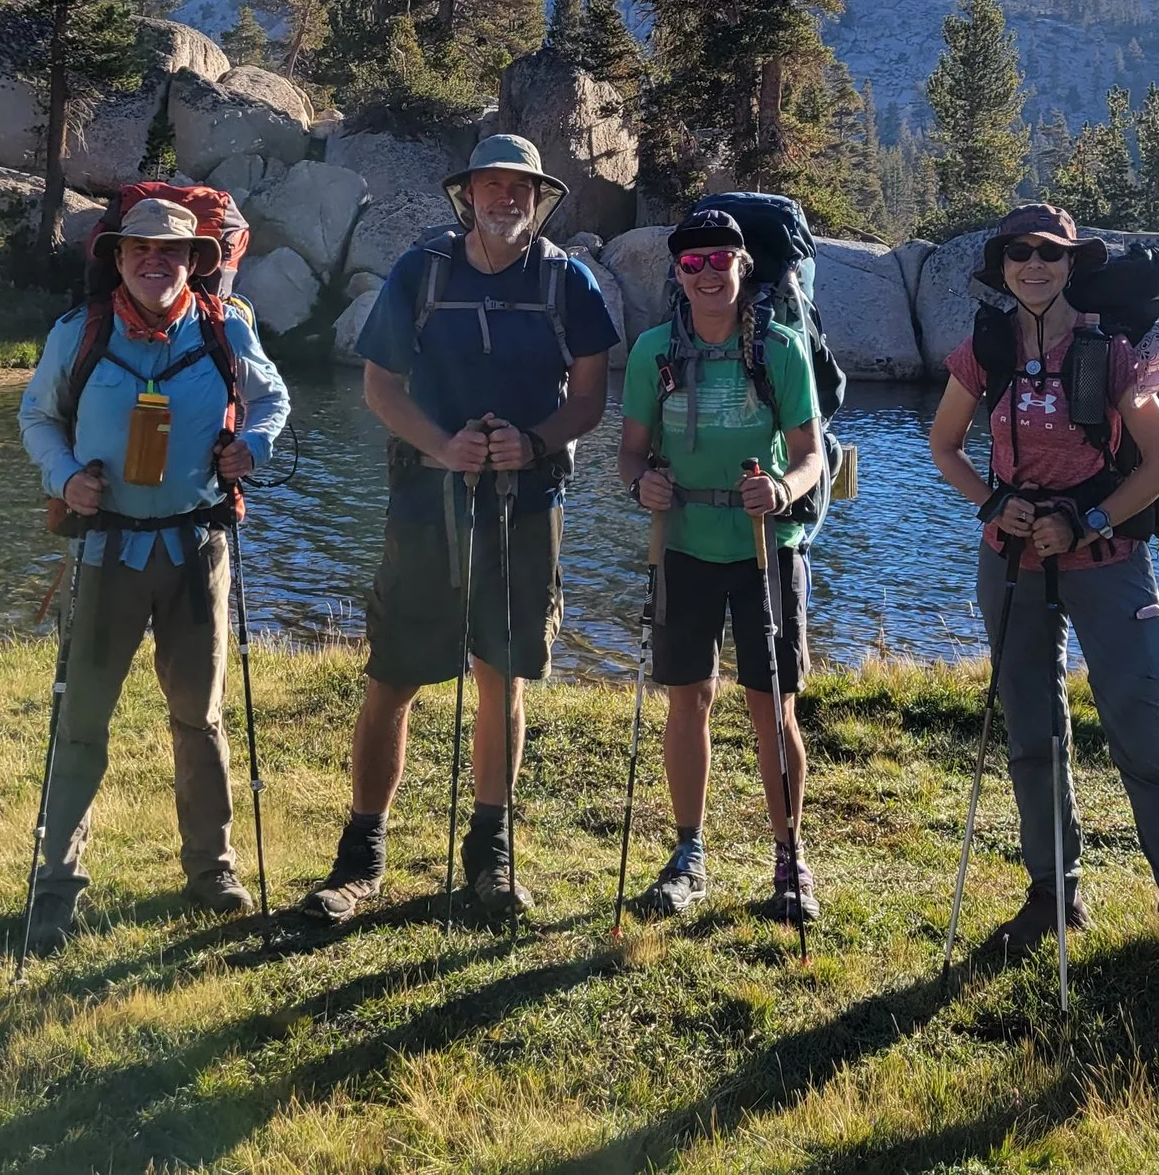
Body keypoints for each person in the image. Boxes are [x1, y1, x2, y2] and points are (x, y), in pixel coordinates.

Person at [925, 202, 1159, 1026]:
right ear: (1002, 264)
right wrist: (993, 504)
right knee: (1032, 735)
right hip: (1010, 562)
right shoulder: (986, 349)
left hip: (1108, 565)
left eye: (1050, 252)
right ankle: (1053, 895)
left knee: (1147, 745)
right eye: (1018, 252)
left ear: (1073, 263)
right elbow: (944, 444)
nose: (1033, 264)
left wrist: (1091, 519)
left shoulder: (1112, 352)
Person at [299, 134, 621, 924]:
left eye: (521, 187)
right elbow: (381, 386)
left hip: (528, 507)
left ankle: (491, 854)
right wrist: (443, 446)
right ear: (467, 194)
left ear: (538, 198)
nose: (506, 198)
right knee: (393, 678)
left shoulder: (569, 281)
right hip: (425, 506)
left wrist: (535, 442)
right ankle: (361, 857)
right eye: (492, 185)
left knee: (502, 677)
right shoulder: (422, 272)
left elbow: (589, 398)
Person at [15, 193, 291, 955]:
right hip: (104, 550)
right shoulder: (79, 332)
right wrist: (65, 476)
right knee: (82, 720)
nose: (154, 261)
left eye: (171, 250)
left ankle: (212, 869)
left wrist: (253, 448)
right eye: (140, 248)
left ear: (195, 261)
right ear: (119, 257)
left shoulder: (227, 328)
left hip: (196, 549)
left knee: (200, 718)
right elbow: (37, 417)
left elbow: (272, 399)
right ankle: (57, 884)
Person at [616, 207, 827, 925]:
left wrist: (783, 490)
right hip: (683, 544)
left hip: (767, 545)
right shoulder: (653, 352)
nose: (707, 273)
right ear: (678, 273)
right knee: (689, 699)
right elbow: (630, 453)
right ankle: (688, 854)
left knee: (773, 703)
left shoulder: (782, 348)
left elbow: (810, 455)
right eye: (693, 262)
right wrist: (641, 484)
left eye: (720, 259)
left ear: (743, 265)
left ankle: (789, 857)